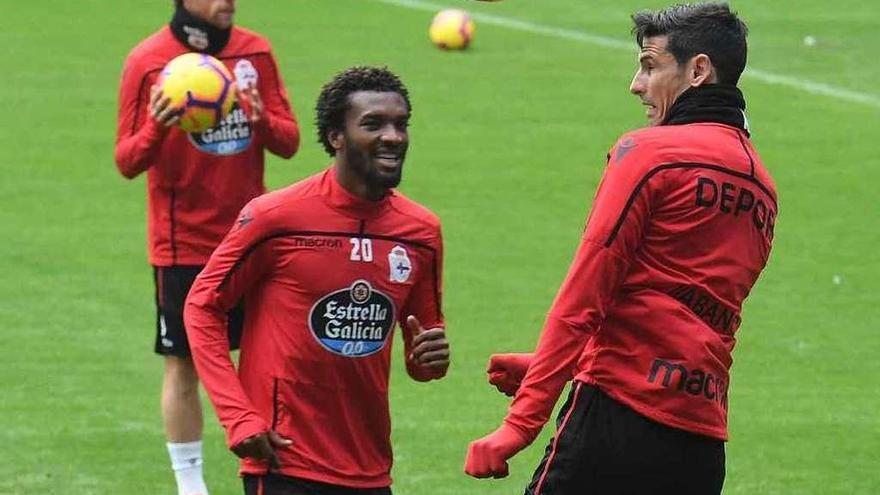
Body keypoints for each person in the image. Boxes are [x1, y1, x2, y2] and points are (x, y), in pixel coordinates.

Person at [465, 3, 777, 494]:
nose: (637, 83)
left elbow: (584, 295)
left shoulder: (647, 155)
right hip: (699, 447)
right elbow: (681, 306)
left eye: (650, 65)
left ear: (698, 70)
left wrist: (520, 424)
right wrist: (552, 364)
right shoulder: (761, 187)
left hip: (612, 423)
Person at [183, 65, 451, 495]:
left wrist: (430, 358)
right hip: (285, 462)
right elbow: (202, 306)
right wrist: (239, 417)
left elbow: (423, 358)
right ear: (335, 137)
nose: (393, 137)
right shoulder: (275, 218)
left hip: (370, 469)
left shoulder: (420, 231)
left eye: (401, 125)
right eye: (373, 124)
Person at [114, 0, 300, 493]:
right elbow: (127, 160)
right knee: (184, 363)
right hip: (183, 245)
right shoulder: (147, 61)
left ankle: (271, 471)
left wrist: (259, 119)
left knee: (267, 359)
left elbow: (289, 141)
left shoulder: (255, 52)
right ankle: (190, 484)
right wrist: (157, 128)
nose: (228, 1)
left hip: (251, 239)